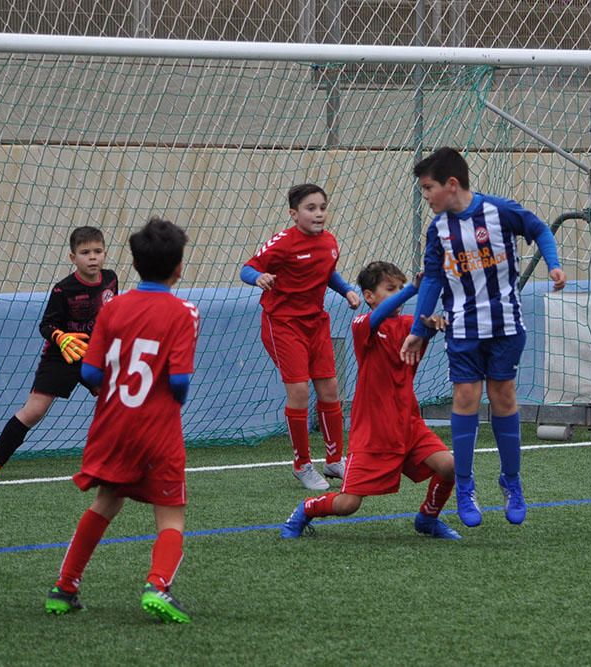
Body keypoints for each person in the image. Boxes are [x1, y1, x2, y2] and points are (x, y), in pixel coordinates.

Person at [401, 147, 566, 528]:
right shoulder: (438, 230)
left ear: (452, 184)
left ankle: (511, 481)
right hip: (462, 328)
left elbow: (539, 229)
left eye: (428, 188)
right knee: (465, 398)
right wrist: (417, 330)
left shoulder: (498, 211)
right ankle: (464, 484)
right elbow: (434, 279)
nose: (425, 196)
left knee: (503, 397)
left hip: (506, 326)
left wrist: (554, 265)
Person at [45, 217, 200, 624]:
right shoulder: (184, 312)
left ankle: (64, 588)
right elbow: (180, 380)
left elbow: (91, 374)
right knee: (171, 513)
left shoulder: (113, 307)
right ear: (179, 266)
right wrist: (169, 399)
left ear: (133, 263)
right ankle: (158, 585)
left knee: (107, 501)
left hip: (112, 425)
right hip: (157, 429)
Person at [281, 261, 460, 539]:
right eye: (390, 289)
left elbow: (423, 323)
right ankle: (305, 510)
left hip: (408, 426)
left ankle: (427, 518)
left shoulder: (407, 327)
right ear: (368, 296)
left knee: (450, 466)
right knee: (347, 504)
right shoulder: (363, 325)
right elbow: (382, 315)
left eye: (400, 287)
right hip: (373, 434)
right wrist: (412, 289)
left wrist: (435, 323)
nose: (397, 294)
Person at [240, 184, 361, 491]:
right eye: (311, 208)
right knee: (299, 392)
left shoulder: (330, 243)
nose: (318, 213)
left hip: (316, 322)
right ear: (294, 214)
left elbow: (327, 272)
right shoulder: (282, 243)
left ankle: (335, 460)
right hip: (282, 324)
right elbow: (247, 269)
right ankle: (302, 465)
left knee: (330, 388)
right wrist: (260, 277)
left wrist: (346, 289)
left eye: (322, 207)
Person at [0, 227, 118, 481]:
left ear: (105, 253)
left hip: (93, 355)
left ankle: (119, 458)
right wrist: (61, 337)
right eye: (85, 252)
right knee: (34, 410)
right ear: (72, 257)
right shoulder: (62, 290)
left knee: (117, 401)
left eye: (97, 251)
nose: (93, 257)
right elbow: (46, 325)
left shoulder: (111, 280)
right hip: (60, 357)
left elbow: (110, 315)